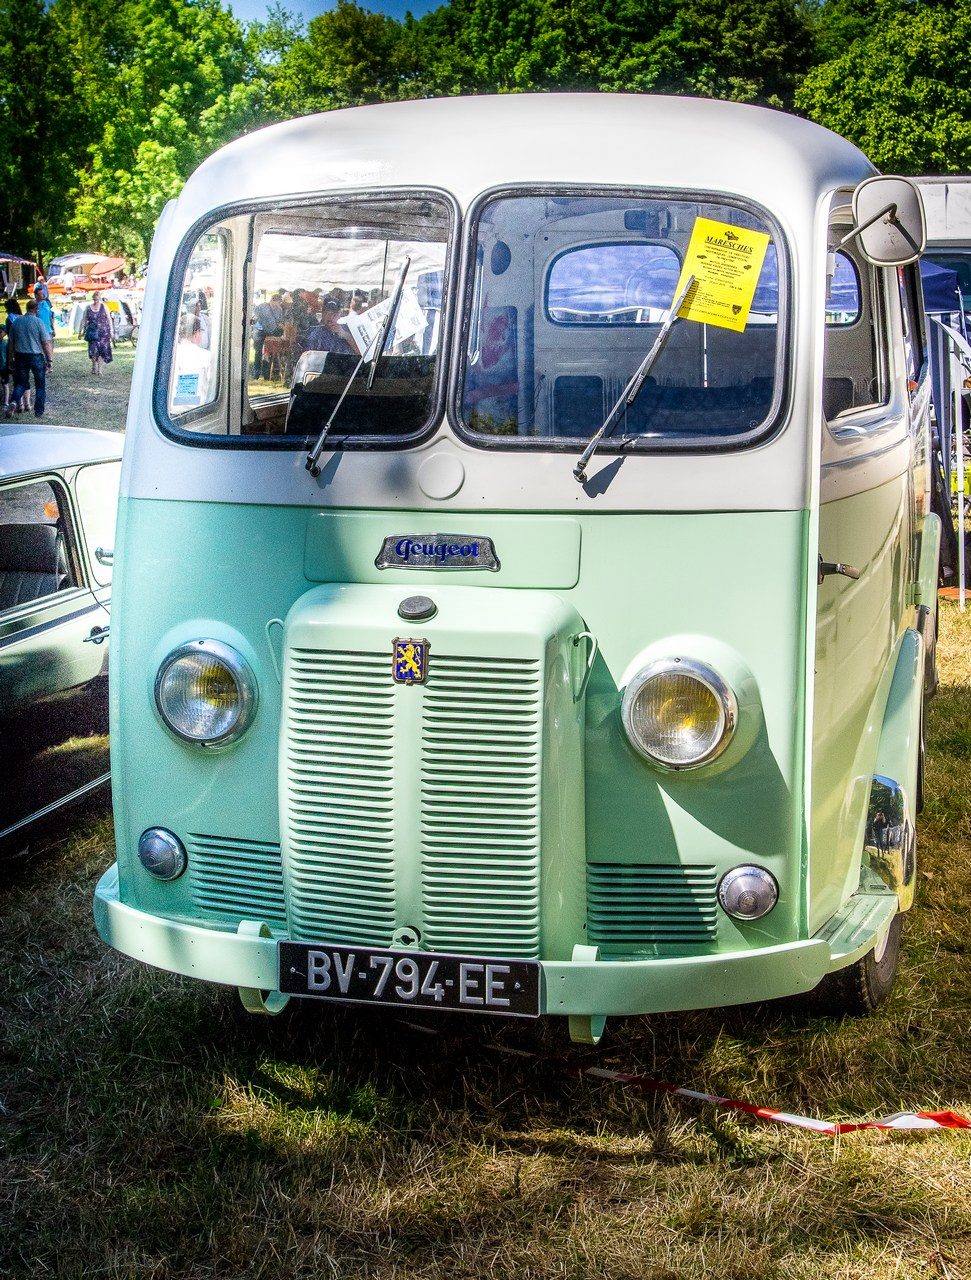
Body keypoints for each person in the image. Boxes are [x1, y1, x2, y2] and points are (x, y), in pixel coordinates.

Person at [7, 299, 53, 417]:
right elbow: (46, 343)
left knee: (21, 384)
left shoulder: (16, 322)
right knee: (40, 385)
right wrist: (49, 360)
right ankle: (38, 411)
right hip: (36, 356)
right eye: (37, 309)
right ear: (35, 309)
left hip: (20, 356)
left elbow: (11, 343)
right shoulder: (38, 322)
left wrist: (10, 359)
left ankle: (13, 401)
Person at [252, 291, 284, 376]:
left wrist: (279, 325)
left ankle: (266, 372)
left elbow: (280, 321)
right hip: (259, 331)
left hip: (271, 332)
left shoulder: (279, 310)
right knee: (258, 351)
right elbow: (256, 316)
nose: (279, 304)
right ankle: (257, 372)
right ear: (273, 300)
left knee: (269, 351)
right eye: (279, 302)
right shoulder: (262, 306)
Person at [82, 293, 113, 375]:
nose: (96, 301)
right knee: (93, 351)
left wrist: (112, 331)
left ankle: (99, 370)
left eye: (97, 299)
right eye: (95, 299)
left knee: (102, 351)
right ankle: (93, 366)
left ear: (100, 298)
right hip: (92, 332)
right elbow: (84, 320)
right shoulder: (88, 308)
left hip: (104, 333)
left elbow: (109, 319)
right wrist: (81, 331)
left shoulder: (104, 306)